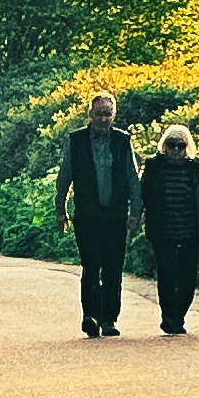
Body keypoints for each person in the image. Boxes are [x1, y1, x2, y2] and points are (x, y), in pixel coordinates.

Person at [52, 90, 141, 336]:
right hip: (87, 216)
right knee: (91, 266)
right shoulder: (77, 140)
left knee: (113, 268)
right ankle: (90, 315)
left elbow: (133, 178)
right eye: (99, 113)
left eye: (108, 114)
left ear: (114, 116)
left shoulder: (123, 141)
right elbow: (65, 177)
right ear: (90, 114)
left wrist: (136, 211)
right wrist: (61, 210)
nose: (103, 119)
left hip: (115, 215)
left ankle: (109, 319)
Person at [140, 121, 199, 333]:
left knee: (188, 277)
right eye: (172, 145)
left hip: (190, 230)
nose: (176, 150)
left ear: (187, 146)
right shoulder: (153, 166)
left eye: (180, 145)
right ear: (164, 145)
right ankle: (168, 317)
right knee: (167, 275)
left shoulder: (193, 168)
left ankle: (179, 316)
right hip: (162, 230)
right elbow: (142, 195)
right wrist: (135, 217)